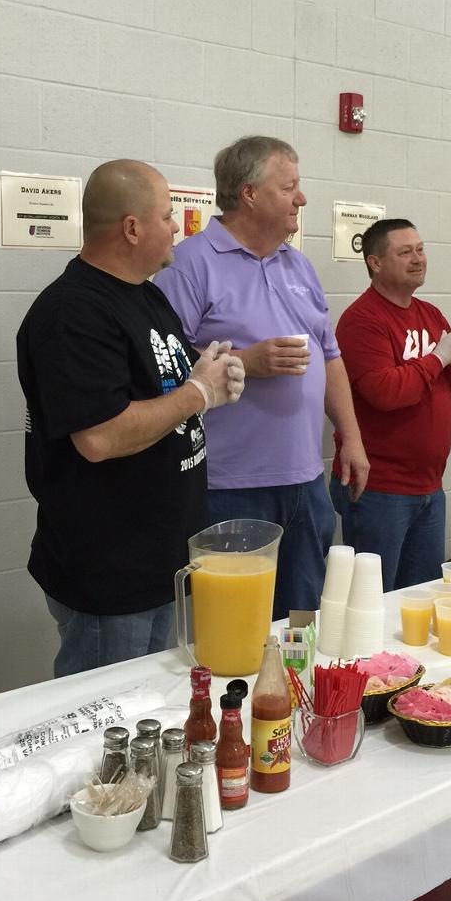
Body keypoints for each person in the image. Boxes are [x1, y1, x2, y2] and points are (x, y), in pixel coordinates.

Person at [17, 160, 245, 676]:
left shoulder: (146, 295)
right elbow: (99, 436)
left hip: (159, 560)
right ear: (132, 228)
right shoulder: (73, 312)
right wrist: (198, 393)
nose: (177, 227)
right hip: (109, 573)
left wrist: (212, 375)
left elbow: (165, 385)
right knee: (109, 715)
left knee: (147, 706)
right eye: (167, 216)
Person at [154, 136, 369, 618]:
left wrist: (351, 438)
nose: (302, 198)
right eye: (289, 187)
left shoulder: (299, 265)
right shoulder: (190, 264)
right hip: (229, 487)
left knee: (302, 623)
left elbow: (330, 357)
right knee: (234, 627)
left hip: (305, 481)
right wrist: (246, 363)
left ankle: (296, 674)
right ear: (249, 193)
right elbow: (161, 362)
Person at [330, 218, 451, 590]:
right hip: (380, 489)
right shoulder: (362, 320)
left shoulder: (430, 314)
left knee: (421, 597)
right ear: (375, 263)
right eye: (405, 252)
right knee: (374, 600)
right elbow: (386, 393)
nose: (418, 259)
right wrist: (438, 358)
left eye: (421, 250)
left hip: (430, 486)